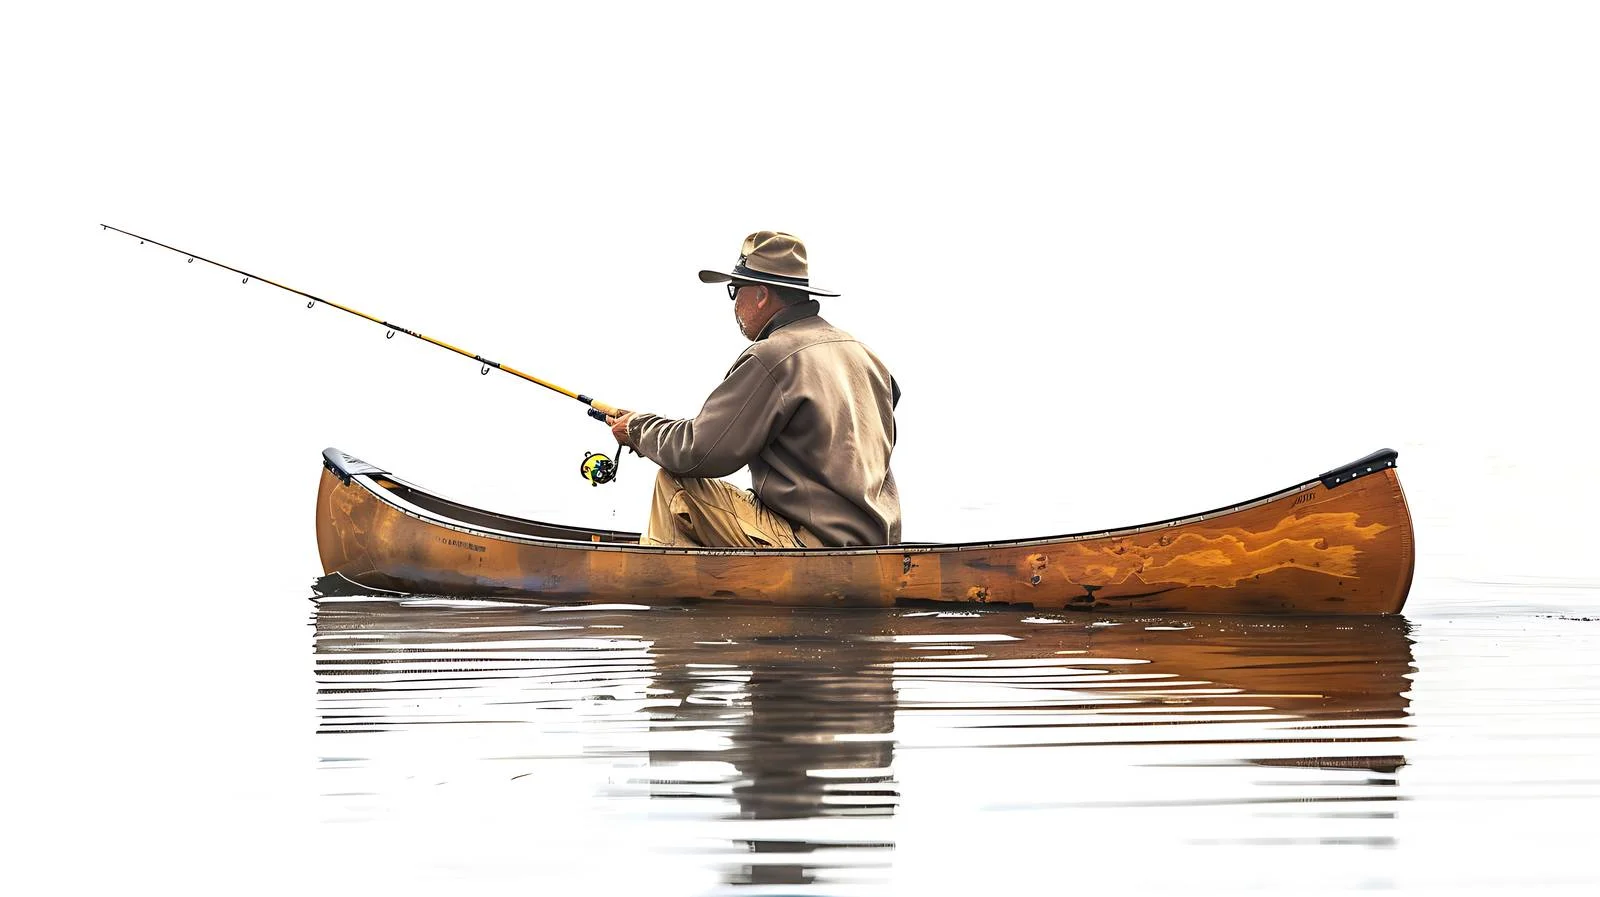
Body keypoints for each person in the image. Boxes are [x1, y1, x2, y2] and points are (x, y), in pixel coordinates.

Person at [604, 231, 901, 548]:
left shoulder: (773, 356)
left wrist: (638, 428)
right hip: (876, 546)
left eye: (735, 291)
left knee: (675, 485)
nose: (734, 305)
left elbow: (698, 451)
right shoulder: (865, 357)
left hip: (811, 544)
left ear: (761, 295)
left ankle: (667, 590)